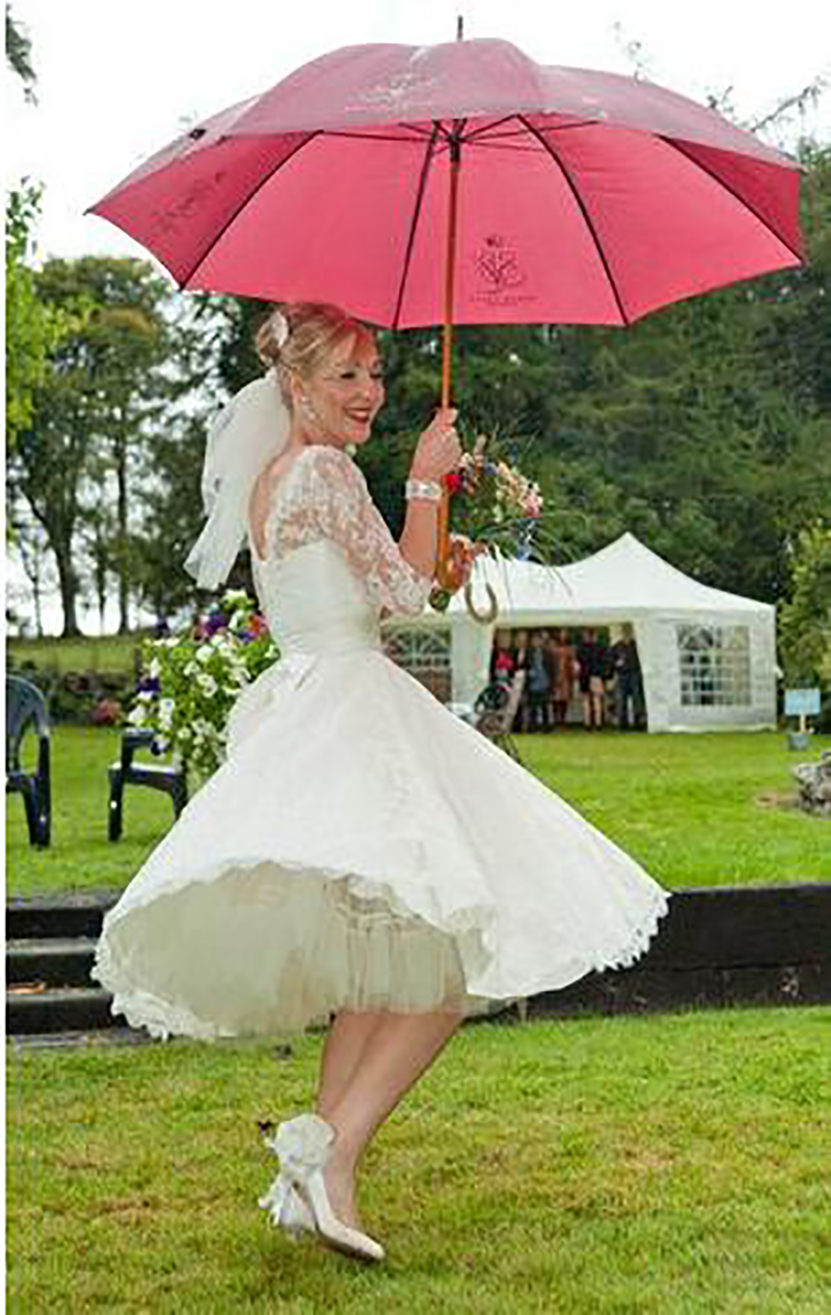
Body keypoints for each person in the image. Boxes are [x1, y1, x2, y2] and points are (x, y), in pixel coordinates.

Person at [90, 302, 671, 1266]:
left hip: (317, 697)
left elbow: (380, 582)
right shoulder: (324, 469)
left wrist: (441, 542)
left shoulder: (275, 480)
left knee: (374, 971)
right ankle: (332, 1152)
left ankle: (311, 1168)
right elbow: (401, 598)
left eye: (374, 372)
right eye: (348, 376)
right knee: (439, 969)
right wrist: (426, 482)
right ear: (298, 386)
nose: (370, 392)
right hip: (355, 711)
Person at [607, 623, 645, 730]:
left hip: (634, 674)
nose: (627, 633)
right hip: (621, 675)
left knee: (637, 700)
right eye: (625, 631)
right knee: (621, 700)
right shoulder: (616, 646)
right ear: (622, 633)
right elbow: (610, 661)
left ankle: (639, 723)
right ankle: (622, 724)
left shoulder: (637, 646)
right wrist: (615, 664)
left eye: (629, 631)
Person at [576, 627, 606, 730]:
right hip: (595, 675)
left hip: (585, 675)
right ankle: (597, 724)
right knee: (595, 699)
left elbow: (578, 663)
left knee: (587, 700)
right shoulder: (599, 647)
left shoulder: (580, 649)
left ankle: (588, 724)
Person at [525, 629, 555, 732]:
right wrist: (529, 673)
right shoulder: (528, 653)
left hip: (544, 683)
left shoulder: (547, 653)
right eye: (534, 640)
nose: (536, 642)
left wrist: (552, 684)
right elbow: (524, 667)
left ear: (541, 641)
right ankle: (532, 727)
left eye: (538, 640)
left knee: (545, 707)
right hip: (533, 683)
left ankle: (546, 728)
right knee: (533, 707)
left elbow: (552, 669)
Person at [549, 628, 577, 727]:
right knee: (555, 699)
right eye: (562, 632)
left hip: (566, 677)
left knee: (564, 699)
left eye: (565, 633)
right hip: (555, 675)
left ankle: (562, 720)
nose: (563, 635)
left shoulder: (570, 648)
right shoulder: (553, 647)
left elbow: (573, 661)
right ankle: (556, 719)